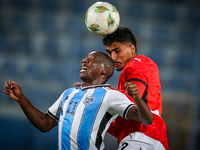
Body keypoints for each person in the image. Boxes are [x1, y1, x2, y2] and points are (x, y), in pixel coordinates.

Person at [4, 51, 153, 150]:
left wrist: (137, 99)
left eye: (91, 60)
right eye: (85, 59)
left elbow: (146, 119)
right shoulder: (68, 93)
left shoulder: (110, 95)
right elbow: (44, 124)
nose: (84, 61)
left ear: (105, 70)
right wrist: (21, 98)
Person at [102, 27, 169, 150]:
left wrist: (99, 90)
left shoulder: (138, 63)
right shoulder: (133, 70)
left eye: (117, 51)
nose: (113, 57)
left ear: (132, 48)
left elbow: (128, 102)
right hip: (151, 135)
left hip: (140, 133)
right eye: (109, 52)